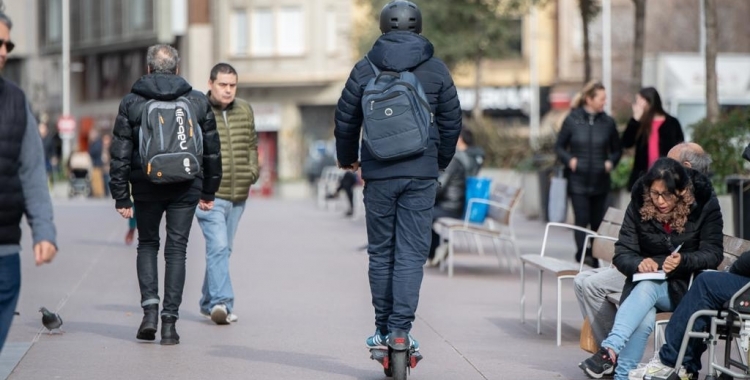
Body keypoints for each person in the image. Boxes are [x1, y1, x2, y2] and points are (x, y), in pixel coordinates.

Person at [334, 0, 462, 352]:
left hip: (378, 173)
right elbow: (452, 122)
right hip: (421, 174)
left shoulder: (364, 68)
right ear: (418, 27)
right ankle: (401, 332)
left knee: (381, 253)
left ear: (382, 27)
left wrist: (348, 160)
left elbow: (345, 120)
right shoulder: (436, 69)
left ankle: (382, 329)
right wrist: (440, 161)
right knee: (410, 254)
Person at [109, 44, 221, 345]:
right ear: (177, 69)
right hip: (187, 184)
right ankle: (170, 325)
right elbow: (211, 150)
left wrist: (121, 196)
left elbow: (120, 152)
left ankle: (149, 313)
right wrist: (209, 190)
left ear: (147, 69)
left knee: (147, 244)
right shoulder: (196, 101)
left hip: (146, 185)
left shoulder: (132, 102)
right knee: (176, 250)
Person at [578, 157, 723, 380]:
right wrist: (638, 263)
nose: (659, 201)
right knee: (643, 314)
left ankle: (609, 350)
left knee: (647, 287)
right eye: (655, 193)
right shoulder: (639, 203)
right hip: (642, 287)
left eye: (666, 195)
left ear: (682, 191)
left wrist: (683, 260)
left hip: (685, 288)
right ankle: (622, 373)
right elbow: (623, 251)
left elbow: (713, 253)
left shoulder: (705, 205)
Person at [0, 8, 58, 353]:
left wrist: (44, 230)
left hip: (5, 251)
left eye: (7, 43)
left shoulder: (16, 102)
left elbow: (32, 172)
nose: (4, 51)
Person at [196, 62, 259, 325]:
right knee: (219, 247)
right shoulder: (198, 109)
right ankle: (222, 302)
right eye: (223, 85)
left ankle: (206, 301)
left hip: (239, 193)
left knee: (224, 249)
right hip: (210, 194)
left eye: (232, 85)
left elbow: (252, 144)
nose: (228, 90)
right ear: (210, 84)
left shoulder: (244, 108)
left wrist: (252, 171)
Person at [555, 81, 622, 267]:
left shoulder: (608, 122)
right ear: (589, 99)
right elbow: (559, 147)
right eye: (601, 98)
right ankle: (583, 255)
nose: (604, 102)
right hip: (577, 181)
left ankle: (593, 255)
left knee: (597, 222)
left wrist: (610, 163)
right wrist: (570, 160)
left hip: (601, 181)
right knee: (581, 219)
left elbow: (617, 149)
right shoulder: (572, 119)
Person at [429, 128, 484, 265]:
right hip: (453, 204)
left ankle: (438, 247)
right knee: (419, 215)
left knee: (418, 215)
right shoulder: (459, 157)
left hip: (450, 207)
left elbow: (440, 186)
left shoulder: (454, 160)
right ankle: (436, 248)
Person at [622, 87, 684, 191]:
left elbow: (680, 147)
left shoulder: (672, 123)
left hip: (667, 178)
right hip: (643, 178)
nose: (636, 105)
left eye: (639, 101)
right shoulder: (639, 123)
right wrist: (635, 120)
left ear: (649, 101)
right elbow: (626, 143)